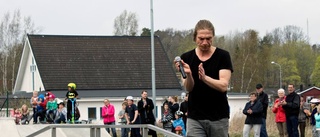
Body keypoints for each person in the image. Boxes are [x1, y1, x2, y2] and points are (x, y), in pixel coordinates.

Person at [174, 19, 233, 137]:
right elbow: (188, 88)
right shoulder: (186, 57)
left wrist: (205, 78)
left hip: (218, 117)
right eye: (201, 39)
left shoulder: (223, 56)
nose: (205, 42)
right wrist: (189, 74)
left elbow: (223, 85)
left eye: (208, 38)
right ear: (195, 38)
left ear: (213, 37)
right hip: (195, 117)